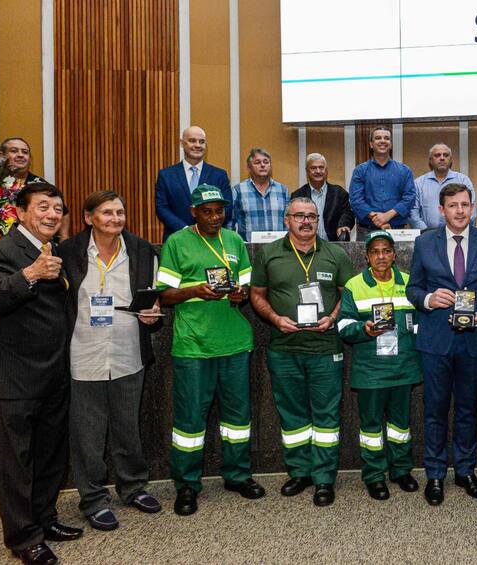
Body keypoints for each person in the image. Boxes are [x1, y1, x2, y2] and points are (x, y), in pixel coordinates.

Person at [0, 182, 83, 565]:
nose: (52, 214)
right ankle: (23, 537)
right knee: (16, 463)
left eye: (57, 208)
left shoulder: (54, 248)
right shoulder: (5, 250)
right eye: (43, 207)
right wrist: (29, 273)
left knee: (49, 456)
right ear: (21, 212)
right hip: (15, 376)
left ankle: (44, 519)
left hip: (54, 372)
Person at [156, 185, 264, 516]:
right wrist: (194, 291)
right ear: (193, 212)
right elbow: (163, 294)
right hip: (194, 345)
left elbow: (245, 288)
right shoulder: (177, 242)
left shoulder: (233, 242)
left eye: (219, 210)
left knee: (237, 419)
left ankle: (237, 475)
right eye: (207, 211)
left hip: (233, 342)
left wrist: (239, 296)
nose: (215, 217)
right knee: (189, 421)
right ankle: (187, 484)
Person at [60, 190, 163, 531]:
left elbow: (153, 299)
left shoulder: (142, 250)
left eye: (120, 212)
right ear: (89, 217)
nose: (116, 219)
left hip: (127, 353)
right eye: (107, 212)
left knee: (126, 427)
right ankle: (92, 498)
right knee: (87, 434)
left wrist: (153, 314)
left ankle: (133, 487)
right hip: (82, 355)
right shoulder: (68, 253)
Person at [406, 183, 477, 506]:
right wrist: (430, 298)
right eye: (453, 205)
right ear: (441, 210)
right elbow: (413, 289)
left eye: (465, 204)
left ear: (473, 208)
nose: (460, 210)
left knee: (467, 410)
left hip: (472, 341)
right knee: (434, 411)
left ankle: (465, 471)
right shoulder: (424, 243)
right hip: (435, 341)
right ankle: (435, 474)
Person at [250, 197, 353, 507]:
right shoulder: (268, 254)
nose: (306, 221)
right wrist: (274, 318)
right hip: (284, 348)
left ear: (318, 220)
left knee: (326, 417)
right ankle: (300, 472)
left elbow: (348, 293)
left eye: (311, 216)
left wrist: (333, 317)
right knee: (292, 416)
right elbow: (257, 294)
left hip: (325, 348)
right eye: (299, 216)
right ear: (286, 220)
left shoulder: (335, 253)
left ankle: (324, 478)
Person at [337, 230, 421, 500]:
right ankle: (374, 475)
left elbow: (421, 322)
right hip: (370, 370)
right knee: (371, 427)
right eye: (375, 252)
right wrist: (364, 329)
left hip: (403, 366)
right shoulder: (354, 285)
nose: (381, 256)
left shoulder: (409, 282)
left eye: (386, 251)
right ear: (367, 256)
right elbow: (343, 325)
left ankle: (400, 470)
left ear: (394, 254)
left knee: (400, 424)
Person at [155, 125, 231, 240]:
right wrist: (185, 229)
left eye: (202, 142)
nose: (197, 145)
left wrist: (205, 228)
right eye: (192, 141)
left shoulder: (219, 175)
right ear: (182, 143)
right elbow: (161, 208)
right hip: (177, 239)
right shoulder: (166, 175)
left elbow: (228, 207)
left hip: (211, 238)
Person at [349, 126, 416, 238]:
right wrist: (375, 217)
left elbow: (410, 198)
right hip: (366, 230)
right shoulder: (360, 171)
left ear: (390, 144)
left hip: (397, 230)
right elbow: (356, 199)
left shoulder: (405, 171)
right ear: (371, 144)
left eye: (386, 138)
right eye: (378, 138)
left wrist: (387, 216)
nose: (383, 141)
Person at [0, 137, 68, 240]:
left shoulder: (41, 186)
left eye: (25, 152)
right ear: (2, 155)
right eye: (14, 151)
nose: (21, 155)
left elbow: (63, 212)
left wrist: (64, 238)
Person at [409, 143, 477, 230]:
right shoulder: (419, 183)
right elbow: (413, 213)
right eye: (437, 155)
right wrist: (426, 233)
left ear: (451, 159)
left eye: (446, 155)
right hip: (428, 236)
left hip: (458, 235)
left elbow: (471, 211)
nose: (442, 158)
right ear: (430, 160)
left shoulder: (463, 180)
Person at [291, 153, 354, 241]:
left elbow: (348, 213)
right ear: (307, 171)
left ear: (326, 170)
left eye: (321, 167)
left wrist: (343, 225)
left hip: (333, 246)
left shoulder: (339, 193)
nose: (318, 171)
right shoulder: (297, 195)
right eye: (313, 168)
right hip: (306, 244)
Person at [230, 147, 289, 242]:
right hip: (249, 250)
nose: (262, 165)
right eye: (257, 162)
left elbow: (288, 222)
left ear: (270, 166)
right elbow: (230, 223)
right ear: (249, 167)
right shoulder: (238, 190)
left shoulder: (282, 190)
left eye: (266, 162)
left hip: (278, 250)